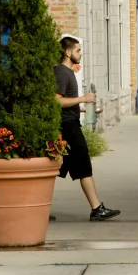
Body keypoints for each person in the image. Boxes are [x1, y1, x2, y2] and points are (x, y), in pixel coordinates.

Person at [53, 35, 120, 221]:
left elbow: (67, 101)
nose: (81, 54)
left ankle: (39, 207)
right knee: (83, 166)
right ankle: (97, 208)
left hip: (69, 123)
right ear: (68, 52)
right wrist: (83, 99)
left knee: (54, 169)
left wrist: (85, 108)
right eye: (78, 50)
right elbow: (56, 101)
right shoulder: (62, 73)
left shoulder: (67, 72)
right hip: (68, 127)